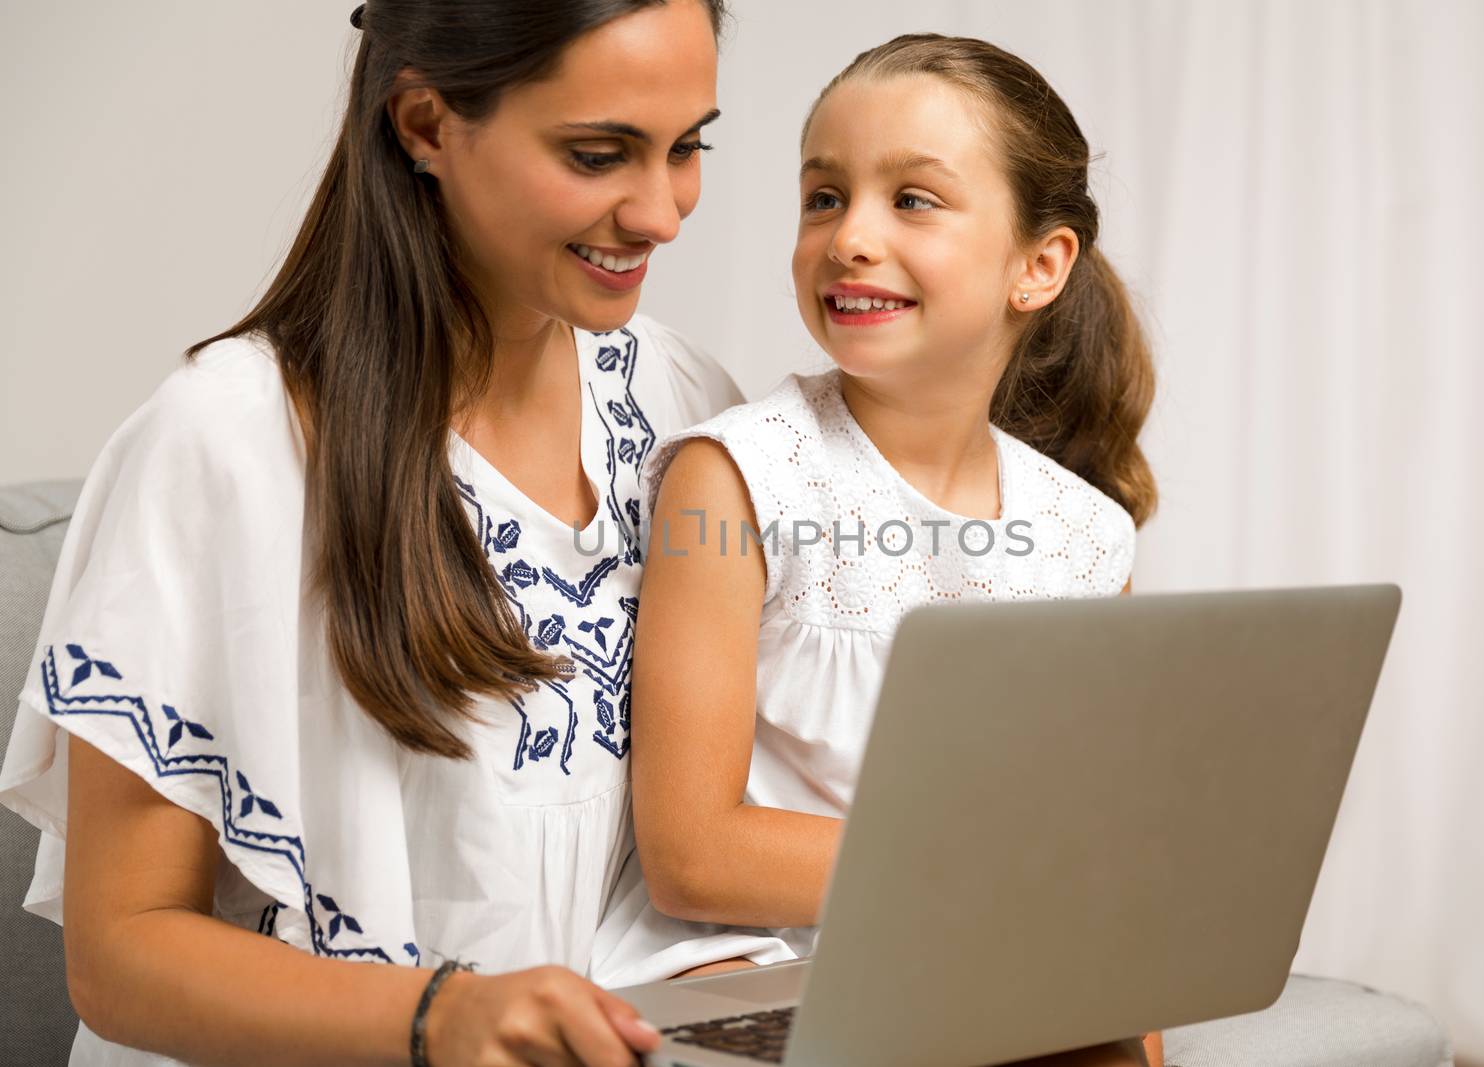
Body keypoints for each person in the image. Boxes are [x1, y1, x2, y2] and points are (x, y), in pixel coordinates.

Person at [0, 1, 739, 1064]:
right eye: (597, 153)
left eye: (688, 147)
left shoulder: (686, 404)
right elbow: (121, 954)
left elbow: (685, 847)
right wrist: (441, 1014)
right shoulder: (225, 442)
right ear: (426, 124)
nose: (663, 212)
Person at [590, 32, 1162, 1067]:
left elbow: (1080, 846)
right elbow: (689, 851)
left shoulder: (1086, 538)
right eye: (822, 196)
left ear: (1038, 266)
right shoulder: (737, 474)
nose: (849, 237)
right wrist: (992, 866)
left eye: (912, 200)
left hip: (955, 943)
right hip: (739, 951)